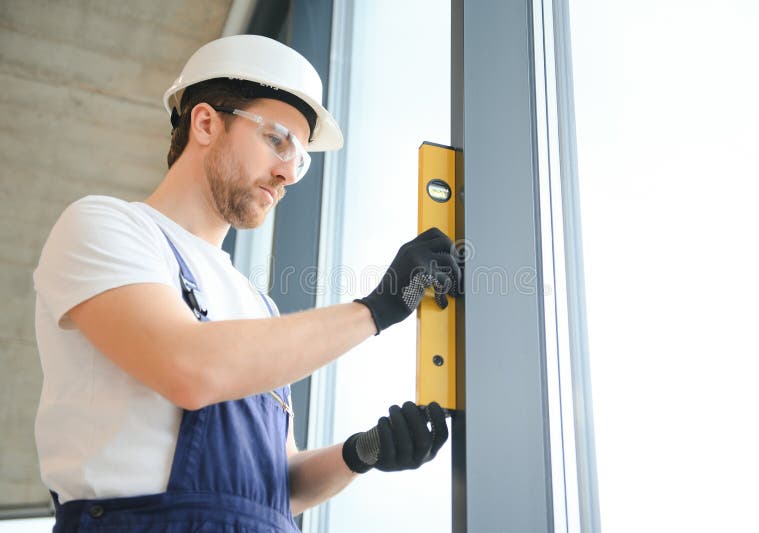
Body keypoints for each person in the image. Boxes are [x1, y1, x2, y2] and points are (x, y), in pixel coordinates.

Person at [32, 34, 460, 532]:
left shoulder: (259, 307)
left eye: (301, 158)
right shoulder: (106, 227)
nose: (287, 173)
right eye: (277, 140)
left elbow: (279, 485)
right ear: (206, 123)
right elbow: (188, 368)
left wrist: (362, 452)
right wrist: (377, 309)